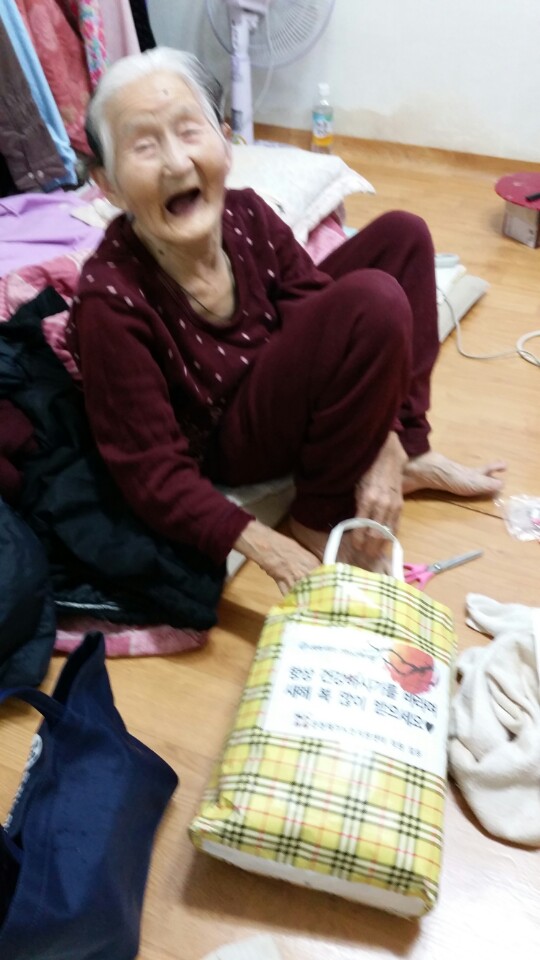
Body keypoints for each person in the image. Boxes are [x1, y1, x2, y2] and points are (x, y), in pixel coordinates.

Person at [67, 47, 505, 596]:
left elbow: (311, 303)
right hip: (226, 437)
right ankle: (318, 513)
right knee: (373, 303)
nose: (176, 164)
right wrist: (274, 551)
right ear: (108, 185)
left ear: (226, 142)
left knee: (403, 236)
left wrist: (388, 439)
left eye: (189, 131)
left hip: (275, 370)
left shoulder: (245, 213)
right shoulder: (110, 301)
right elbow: (150, 473)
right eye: (144, 146)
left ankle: (411, 454)